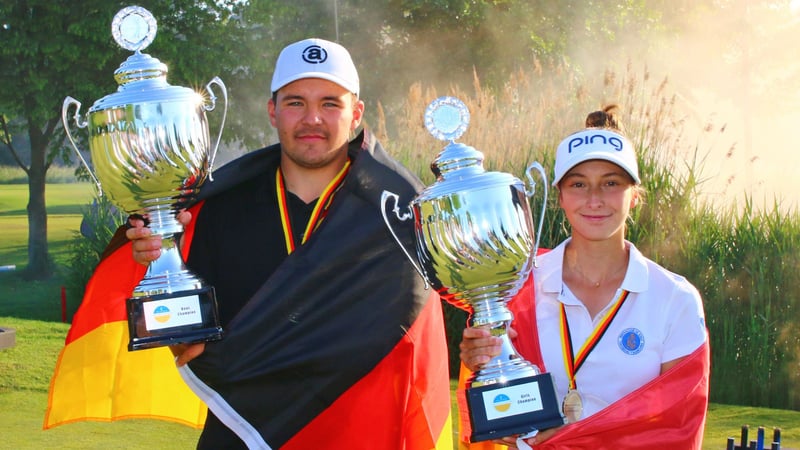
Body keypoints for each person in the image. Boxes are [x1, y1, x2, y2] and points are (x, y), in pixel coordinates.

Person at [52, 38, 453, 450]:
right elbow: (181, 326)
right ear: (272, 111)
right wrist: (153, 256)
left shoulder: (399, 211)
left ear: (356, 114)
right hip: (242, 432)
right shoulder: (213, 208)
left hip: (360, 431)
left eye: (330, 103)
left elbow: (448, 301)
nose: (312, 118)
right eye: (296, 102)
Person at [457, 107, 710, 449]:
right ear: (560, 196)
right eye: (579, 184)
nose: (594, 199)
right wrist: (482, 362)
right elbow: (499, 405)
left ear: (634, 196)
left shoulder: (674, 298)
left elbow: (674, 423)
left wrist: (577, 439)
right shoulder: (515, 287)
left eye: (610, 183)